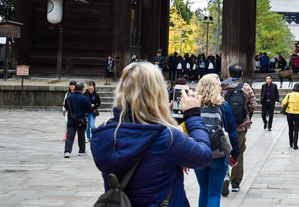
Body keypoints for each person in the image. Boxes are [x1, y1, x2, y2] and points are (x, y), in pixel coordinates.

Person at [91, 62, 212, 206]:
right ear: (158, 93)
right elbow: (203, 156)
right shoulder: (168, 137)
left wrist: (158, 116)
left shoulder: (105, 133)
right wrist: (193, 116)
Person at [195, 74, 241, 207]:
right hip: (219, 153)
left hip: (198, 152)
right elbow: (232, 132)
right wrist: (235, 154)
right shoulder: (224, 106)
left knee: (203, 190)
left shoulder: (195, 106)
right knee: (214, 193)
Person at [221, 63, 257, 194]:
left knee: (223, 152)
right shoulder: (246, 87)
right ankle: (236, 183)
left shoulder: (221, 87)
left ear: (229, 73)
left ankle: (225, 176)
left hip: (224, 126)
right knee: (239, 153)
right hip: (240, 126)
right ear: (241, 74)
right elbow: (254, 105)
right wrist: (245, 112)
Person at [64, 82, 92, 158]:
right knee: (81, 136)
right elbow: (89, 109)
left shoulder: (69, 98)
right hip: (81, 120)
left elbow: (66, 107)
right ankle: (81, 151)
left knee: (70, 136)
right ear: (82, 90)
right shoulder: (85, 98)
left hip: (71, 120)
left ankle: (67, 151)